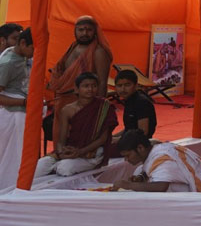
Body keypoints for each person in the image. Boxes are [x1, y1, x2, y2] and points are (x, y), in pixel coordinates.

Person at [36, 72, 117, 178]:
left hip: (92, 153)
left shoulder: (104, 107)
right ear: (77, 89)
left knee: (64, 168)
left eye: (94, 86)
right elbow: (61, 140)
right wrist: (61, 152)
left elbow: (103, 139)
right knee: (39, 167)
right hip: (71, 149)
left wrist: (80, 152)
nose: (90, 89)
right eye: (86, 86)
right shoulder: (67, 110)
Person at [46, 15, 112, 138]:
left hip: (83, 104)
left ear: (95, 31)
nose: (84, 33)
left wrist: (97, 109)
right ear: (75, 31)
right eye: (81, 30)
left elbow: (102, 82)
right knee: (61, 139)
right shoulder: (73, 47)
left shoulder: (99, 52)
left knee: (79, 140)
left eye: (89, 30)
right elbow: (62, 70)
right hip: (63, 101)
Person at [111, 129, 201, 192]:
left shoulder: (162, 157)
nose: (126, 160)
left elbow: (161, 187)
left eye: (128, 155)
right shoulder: (155, 151)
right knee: (138, 171)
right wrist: (141, 177)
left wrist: (129, 185)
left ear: (140, 148)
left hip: (198, 192)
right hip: (188, 184)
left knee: (150, 190)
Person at [0, 29, 34, 190]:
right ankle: (7, 189)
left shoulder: (25, 57)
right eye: (33, 48)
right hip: (10, 116)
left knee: (20, 155)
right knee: (10, 156)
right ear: (23, 43)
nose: (35, 53)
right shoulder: (7, 63)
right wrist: (25, 102)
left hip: (23, 113)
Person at [112, 68, 157, 141]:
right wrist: (112, 137)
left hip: (139, 144)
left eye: (127, 85)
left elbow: (142, 132)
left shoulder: (141, 102)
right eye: (119, 86)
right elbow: (129, 129)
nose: (123, 89)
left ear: (136, 85)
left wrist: (117, 140)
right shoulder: (129, 100)